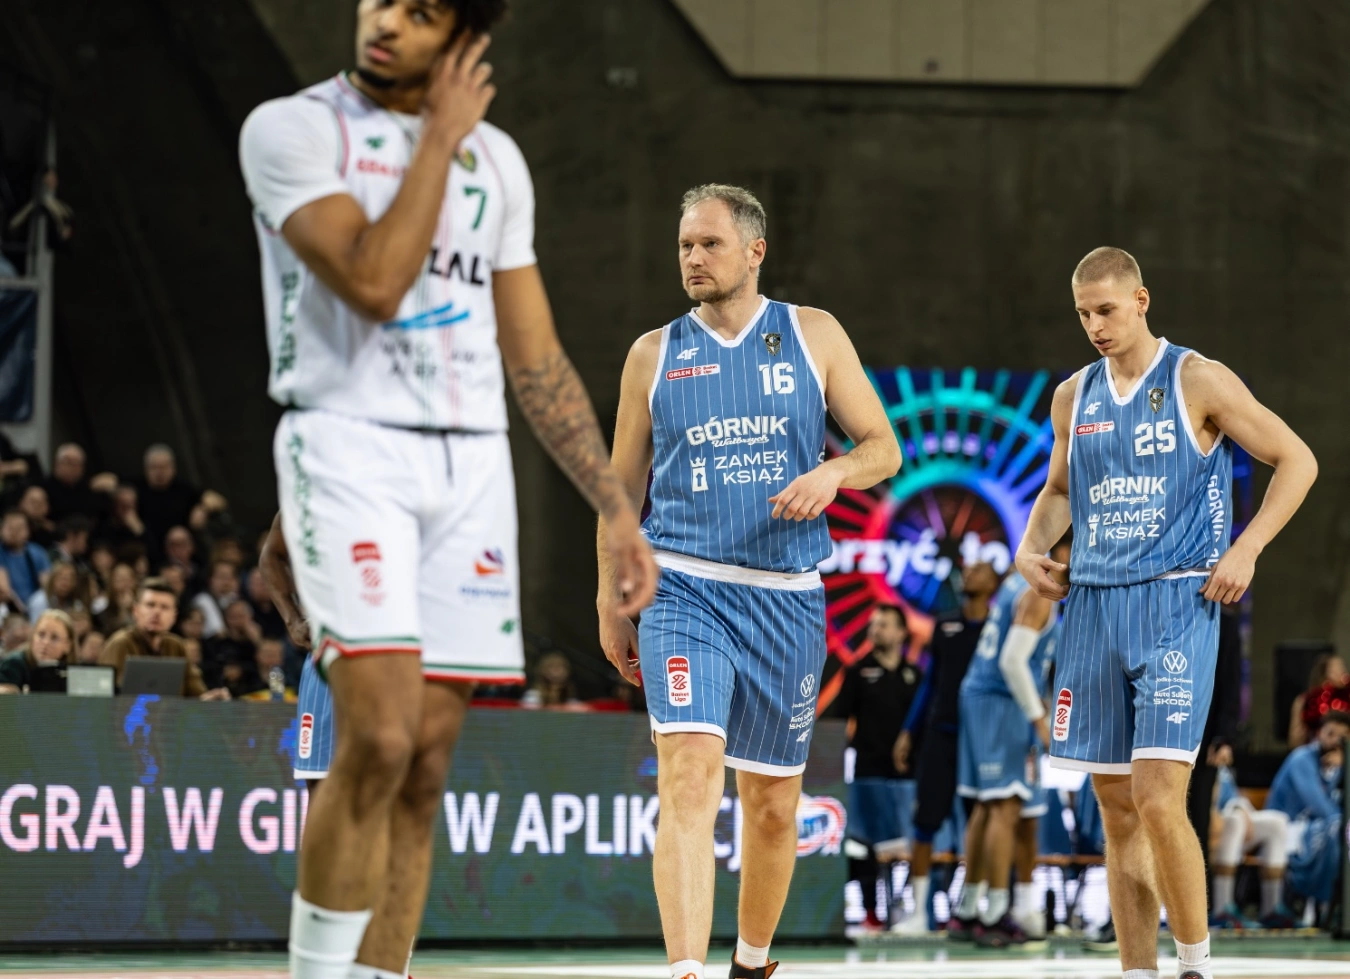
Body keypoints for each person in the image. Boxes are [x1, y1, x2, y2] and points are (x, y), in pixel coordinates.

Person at [238, 4, 658, 976]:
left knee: (425, 762)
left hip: (470, 463)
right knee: (379, 735)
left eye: (420, 9)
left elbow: (535, 356)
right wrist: (437, 141)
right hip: (348, 446)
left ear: (463, 38)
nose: (385, 19)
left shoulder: (497, 163)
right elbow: (373, 281)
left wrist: (613, 505)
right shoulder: (294, 128)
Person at [597, 183, 900, 979]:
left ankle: (751, 962)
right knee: (689, 774)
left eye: (710, 244)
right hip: (683, 587)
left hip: (786, 598)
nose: (693, 258)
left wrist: (834, 473)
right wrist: (608, 597)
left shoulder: (811, 333)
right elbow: (620, 491)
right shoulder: (653, 353)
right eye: (685, 245)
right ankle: (685, 969)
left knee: (770, 807)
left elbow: (883, 448)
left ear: (755, 251)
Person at [1016, 247, 1318, 979]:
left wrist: (1247, 548)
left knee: (1157, 797)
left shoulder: (1196, 378)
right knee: (1116, 808)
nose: (1095, 325)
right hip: (1092, 607)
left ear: (1141, 300)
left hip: (1177, 603)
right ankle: (1138, 970)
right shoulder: (1072, 395)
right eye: (1083, 313)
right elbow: (1060, 490)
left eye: (1107, 309)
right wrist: (1030, 546)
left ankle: (1195, 964)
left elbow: (1298, 459)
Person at [949, 540, 1068, 948]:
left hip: (984, 697)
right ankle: (995, 914)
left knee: (988, 805)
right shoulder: (1040, 590)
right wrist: (1038, 720)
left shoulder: (1021, 580)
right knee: (1005, 806)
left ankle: (968, 910)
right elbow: (1012, 662)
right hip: (1001, 700)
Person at [889, 561, 1000, 936]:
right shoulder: (945, 624)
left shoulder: (999, 628)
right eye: (968, 570)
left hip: (982, 739)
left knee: (983, 823)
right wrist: (908, 731)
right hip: (940, 736)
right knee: (925, 822)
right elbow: (929, 683)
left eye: (979, 570)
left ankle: (974, 908)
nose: (969, 573)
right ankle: (919, 913)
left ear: (994, 584)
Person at [835, 603, 922, 935]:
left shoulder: (915, 676)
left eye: (884, 624)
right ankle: (871, 912)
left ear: (901, 632)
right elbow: (837, 722)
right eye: (872, 623)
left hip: (908, 779)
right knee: (863, 846)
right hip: (868, 775)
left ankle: (910, 908)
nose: (875, 629)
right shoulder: (858, 672)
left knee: (914, 844)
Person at [1265, 711, 1348, 921]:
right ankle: (1321, 901)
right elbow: (1321, 806)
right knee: (1336, 828)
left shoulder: (1339, 764)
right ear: (1319, 733)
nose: (1335, 741)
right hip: (1283, 828)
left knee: (1339, 829)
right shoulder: (1301, 758)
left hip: (1315, 825)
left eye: (1342, 736)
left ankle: (1333, 903)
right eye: (1330, 734)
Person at [99, 577, 226, 700]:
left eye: (164, 607)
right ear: (136, 610)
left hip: (172, 714)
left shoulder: (177, 646)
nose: (157, 612)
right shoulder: (120, 644)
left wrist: (214, 700)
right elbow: (104, 697)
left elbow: (197, 696)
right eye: (150, 605)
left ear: (174, 616)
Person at [1209, 764, 1293, 930]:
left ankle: (1271, 909)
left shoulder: (1223, 769)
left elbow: (1232, 797)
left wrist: (1239, 807)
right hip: (1205, 828)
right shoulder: (1194, 759)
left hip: (1229, 827)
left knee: (1277, 824)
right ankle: (1221, 909)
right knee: (1235, 821)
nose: (1227, 755)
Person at [0, 609, 76, 693]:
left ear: (68, 645)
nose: (45, 642)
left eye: (54, 638)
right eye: (41, 634)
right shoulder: (14, 664)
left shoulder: (72, 672)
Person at [1289, 654, 1350, 748]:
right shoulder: (1306, 701)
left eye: (1342, 667)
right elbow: (1294, 741)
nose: (1342, 671)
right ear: (1324, 673)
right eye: (1335, 668)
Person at [0, 508, 49, 612]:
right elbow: (4, 589)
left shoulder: (37, 552)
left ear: (27, 530)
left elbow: (47, 584)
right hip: (9, 605)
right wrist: (20, 610)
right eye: (9, 527)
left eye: (18, 528)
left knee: (42, 599)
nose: (14, 533)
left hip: (33, 604)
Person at [18, 485, 55, 549]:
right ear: (22, 503)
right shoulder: (13, 526)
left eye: (40, 503)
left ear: (47, 507)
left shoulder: (51, 531)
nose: (36, 506)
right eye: (33, 502)